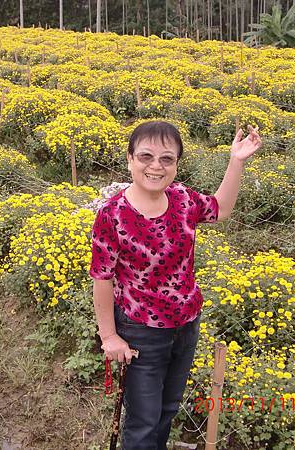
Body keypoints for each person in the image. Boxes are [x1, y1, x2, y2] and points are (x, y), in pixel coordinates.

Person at [89, 120, 261, 449]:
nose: (156, 166)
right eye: (146, 156)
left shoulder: (182, 198)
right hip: (141, 332)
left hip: (186, 327)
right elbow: (102, 277)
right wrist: (109, 336)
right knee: (143, 420)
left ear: (176, 164)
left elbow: (221, 209)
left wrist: (236, 161)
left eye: (167, 159)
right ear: (130, 160)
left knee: (167, 410)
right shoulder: (113, 215)